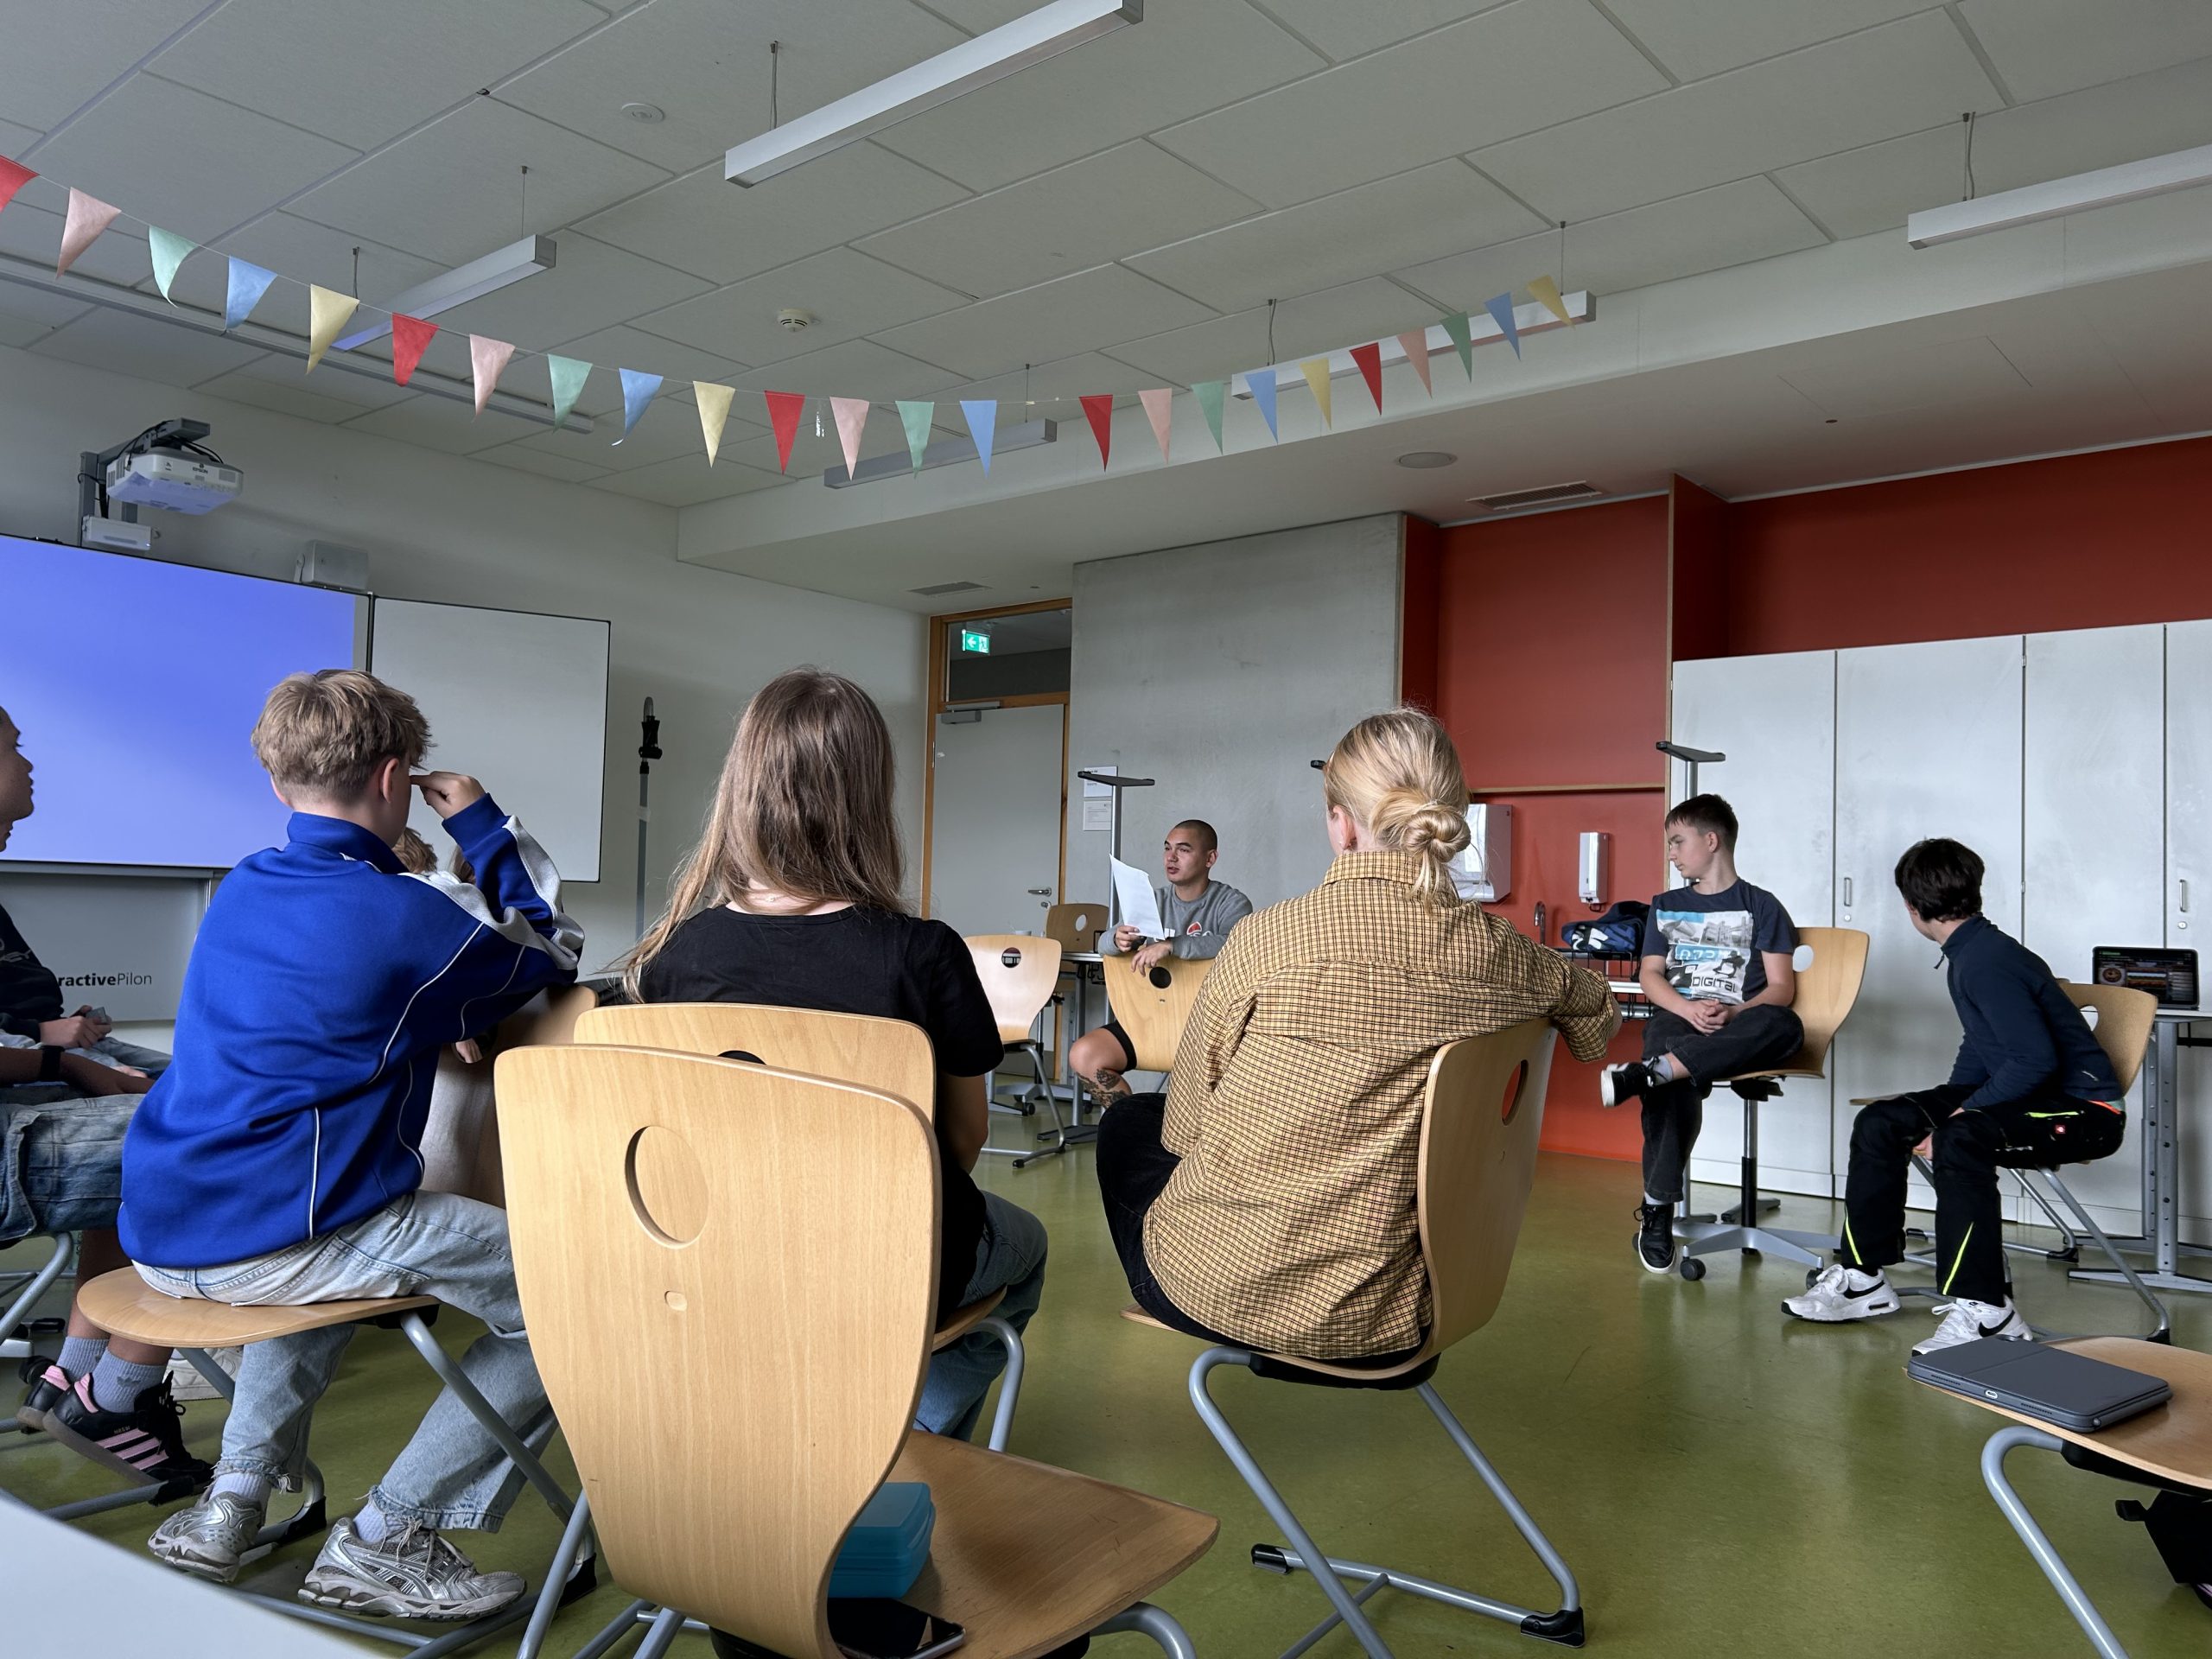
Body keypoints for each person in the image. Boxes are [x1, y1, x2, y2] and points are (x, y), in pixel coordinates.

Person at [123, 670, 582, 1618]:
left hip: (163, 1233)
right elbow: (551, 956)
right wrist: (485, 826)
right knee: (581, 1290)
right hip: (274, 1238)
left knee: (329, 1252)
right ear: (392, 777)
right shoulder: (408, 916)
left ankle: (232, 1502)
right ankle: (390, 1536)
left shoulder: (245, 884)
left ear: (278, 782)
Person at [1093, 708, 1618, 1361]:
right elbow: (1597, 1018)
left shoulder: (1267, 938)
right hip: (1403, 1317)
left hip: (1227, 1290)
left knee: (1134, 1122)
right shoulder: (1501, 955)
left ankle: (1197, 1288)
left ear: (1341, 825)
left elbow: (1186, 1131)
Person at [622, 667, 1045, 1442]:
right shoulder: (921, 955)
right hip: (877, 1263)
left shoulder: (677, 953)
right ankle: (907, 1447)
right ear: (870, 794)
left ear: (741, 785)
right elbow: (961, 1142)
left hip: (713, 1252)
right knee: (1029, 1246)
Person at [1785, 838, 2125, 1355]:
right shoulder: (1973, 951)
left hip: (2083, 1111)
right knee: (1882, 1121)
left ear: (1912, 907)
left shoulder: (1985, 960)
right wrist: (1946, 1100)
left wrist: (1960, 1114)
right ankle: (1863, 1279)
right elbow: (1984, 1042)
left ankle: (1988, 1310)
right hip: (2027, 1098)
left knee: (1960, 1138)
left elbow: (2035, 1061)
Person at [0, 704, 207, 1488]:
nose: (29, 767)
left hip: (27, 1110)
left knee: (201, 1098)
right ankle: (116, 1395)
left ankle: (74, 1378)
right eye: (14, 750)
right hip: (8, 1146)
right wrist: (58, 1064)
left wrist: (61, 1041)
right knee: (213, 1144)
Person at [1597, 795, 1803, 1275]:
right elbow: (1651, 976)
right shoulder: (1666, 906)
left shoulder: (1763, 906)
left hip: (1741, 1022)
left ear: (1711, 841)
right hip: (1678, 1015)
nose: (1671, 852)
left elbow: (1780, 988)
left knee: (1784, 1023)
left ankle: (1653, 1073)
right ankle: (1658, 1208)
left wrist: (1732, 1014)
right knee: (1669, 1059)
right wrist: (1688, 1008)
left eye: (1677, 842)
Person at [1069, 819, 1251, 1104]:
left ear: (1210, 858)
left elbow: (1234, 943)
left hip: (1205, 1027)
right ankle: (1128, 1123)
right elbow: (1103, 943)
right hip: (1146, 1019)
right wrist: (1118, 939)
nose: (1171, 857)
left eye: (1184, 850)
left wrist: (1172, 946)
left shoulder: (1231, 902)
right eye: (1167, 848)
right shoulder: (1151, 901)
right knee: (1084, 1055)